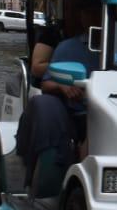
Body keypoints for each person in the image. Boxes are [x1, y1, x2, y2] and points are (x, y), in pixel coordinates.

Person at [15, 22, 100, 188]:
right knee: (95, 132)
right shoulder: (68, 47)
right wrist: (64, 87)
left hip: (116, 109)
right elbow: (45, 82)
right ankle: (80, 185)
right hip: (79, 112)